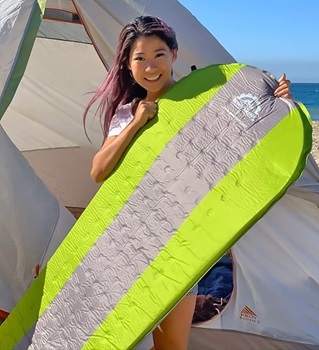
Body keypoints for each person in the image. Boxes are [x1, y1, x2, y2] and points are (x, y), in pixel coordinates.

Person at [84, 15, 292, 350]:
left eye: (159, 55)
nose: (150, 67)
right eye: (140, 58)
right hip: (131, 240)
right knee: (119, 338)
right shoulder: (127, 112)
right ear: (127, 64)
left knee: (172, 345)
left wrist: (277, 103)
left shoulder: (200, 103)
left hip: (181, 242)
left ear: (175, 54)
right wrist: (137, 123)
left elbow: (245, 140)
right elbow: (98, 171)